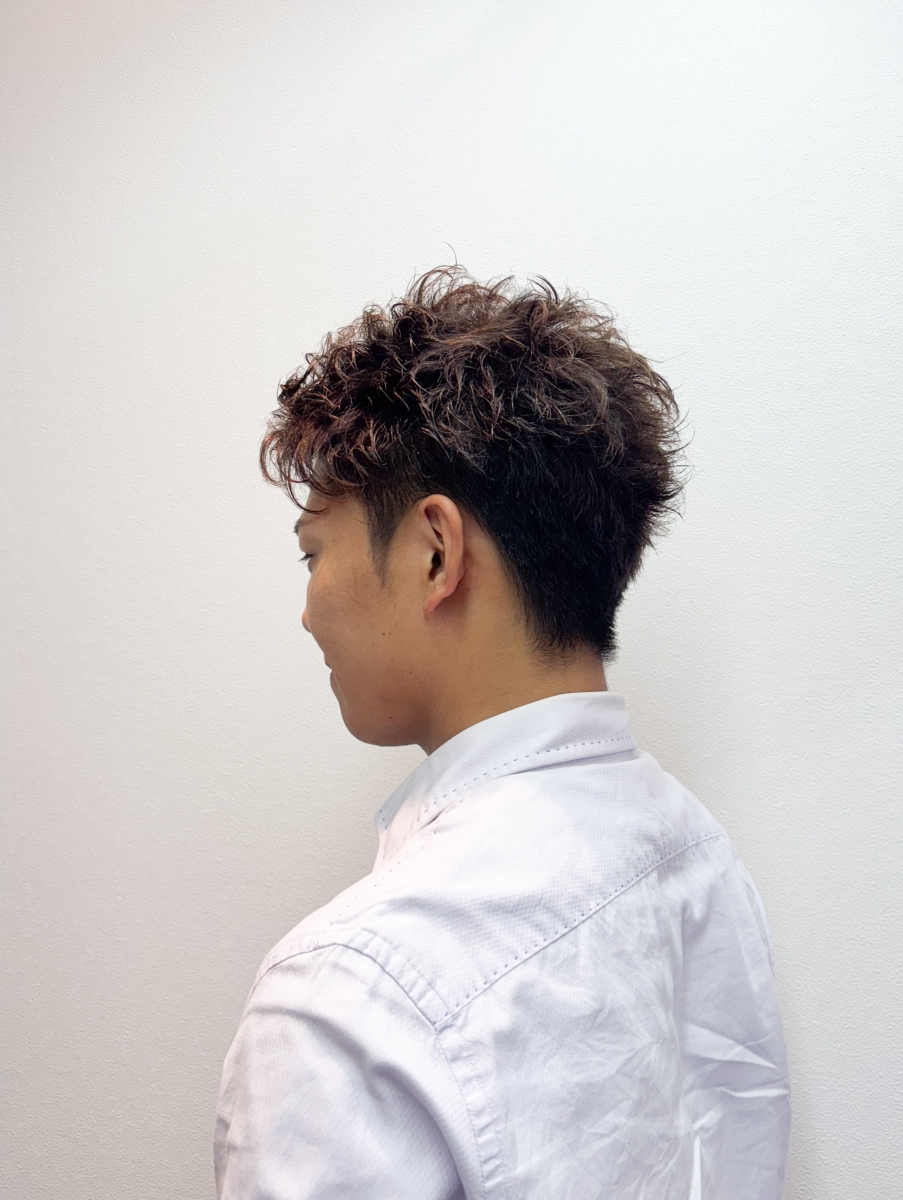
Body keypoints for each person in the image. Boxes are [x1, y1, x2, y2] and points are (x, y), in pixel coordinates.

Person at [214, 267, 790, 1199]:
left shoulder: (345, 999)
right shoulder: (698, 854)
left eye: (313, 553)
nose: (308, 612)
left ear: (434, 554)